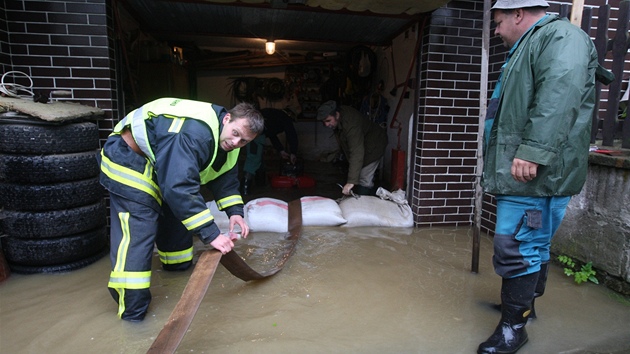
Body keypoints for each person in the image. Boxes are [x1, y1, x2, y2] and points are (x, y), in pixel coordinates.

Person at [480, 0, 599, 353]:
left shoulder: (562, 38)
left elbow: (559, 93)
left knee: (515, 246)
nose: (497, 30)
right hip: (524, 169)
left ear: (518, 14)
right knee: (532, 243)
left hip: (537, 173)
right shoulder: (531, 43)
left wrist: (533, 150)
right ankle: (523, 308)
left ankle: (513, 327)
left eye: (499, 22)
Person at [98, 97, 264, 321]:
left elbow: (224, 176)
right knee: (140, 227)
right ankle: (132, 311)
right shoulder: (194, 133)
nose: (236, 143)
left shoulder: (228, 141)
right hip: (129, 158)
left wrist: (235, 211)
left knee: (179, 216)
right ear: (227, 119)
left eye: (244, 141)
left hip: (161, 162)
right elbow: (179, 187)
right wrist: (211, 234)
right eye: (235, 134)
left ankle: (176, 270)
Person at [317, 100, 387, 196]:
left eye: (328, 121)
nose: (326, 125)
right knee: (356, 174)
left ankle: (366, 203)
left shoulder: (351, 123)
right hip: (363, 144)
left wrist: (351, 181)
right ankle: (364, 196)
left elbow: (356, 152)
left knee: (364, 178)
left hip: (375, 144)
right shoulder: (339, 120)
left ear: (336, 115)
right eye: (323, 122)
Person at [241, 108, 299, 195]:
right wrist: (293, 153)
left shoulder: (274, 116)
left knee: (258, 158)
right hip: (254, 133)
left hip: (252, 131)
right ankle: (244, 189)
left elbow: (272, 134)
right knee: (254, 158)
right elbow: (291, 135)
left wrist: (281, 150)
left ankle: (260, 183)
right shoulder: (285, 118)